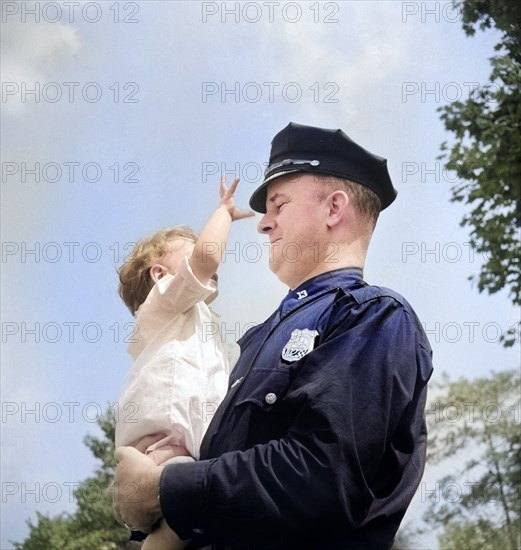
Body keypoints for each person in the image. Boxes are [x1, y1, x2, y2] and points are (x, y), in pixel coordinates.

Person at [112, 122, 434, 550]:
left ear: (334, 209)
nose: (264, 224)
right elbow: (208, 484)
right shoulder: (248, 343)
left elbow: (322, 478)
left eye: (278, 205)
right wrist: (146, 509)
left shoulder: (373, 318)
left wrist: (166, 486)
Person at [113, 177, 253, 549]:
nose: (200, 254)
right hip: (165, 452)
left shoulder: (202, 325)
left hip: (193, 457)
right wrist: (223, 213)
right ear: (160, 274)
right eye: (188, 252)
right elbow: (208, 258)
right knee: (173, 527)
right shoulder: (163, 306)